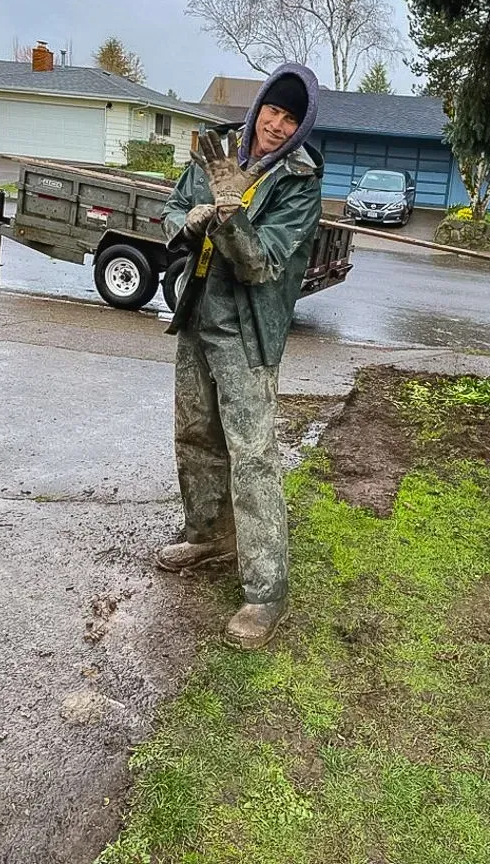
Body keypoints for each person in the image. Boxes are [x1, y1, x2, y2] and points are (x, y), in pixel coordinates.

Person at [157, 64, 322, 650]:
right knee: (196, 433)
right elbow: (173, 207)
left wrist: (230, 214)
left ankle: (265, 592)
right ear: (259, 109)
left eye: (291, 119)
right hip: (198, 315)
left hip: (247, 330)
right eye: (273, 112)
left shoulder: (301, 183)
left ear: (301, 130)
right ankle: (208, 535)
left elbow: (260, 265)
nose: (276, 126)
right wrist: (189, 219)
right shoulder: (217, 151)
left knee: (252, 457)